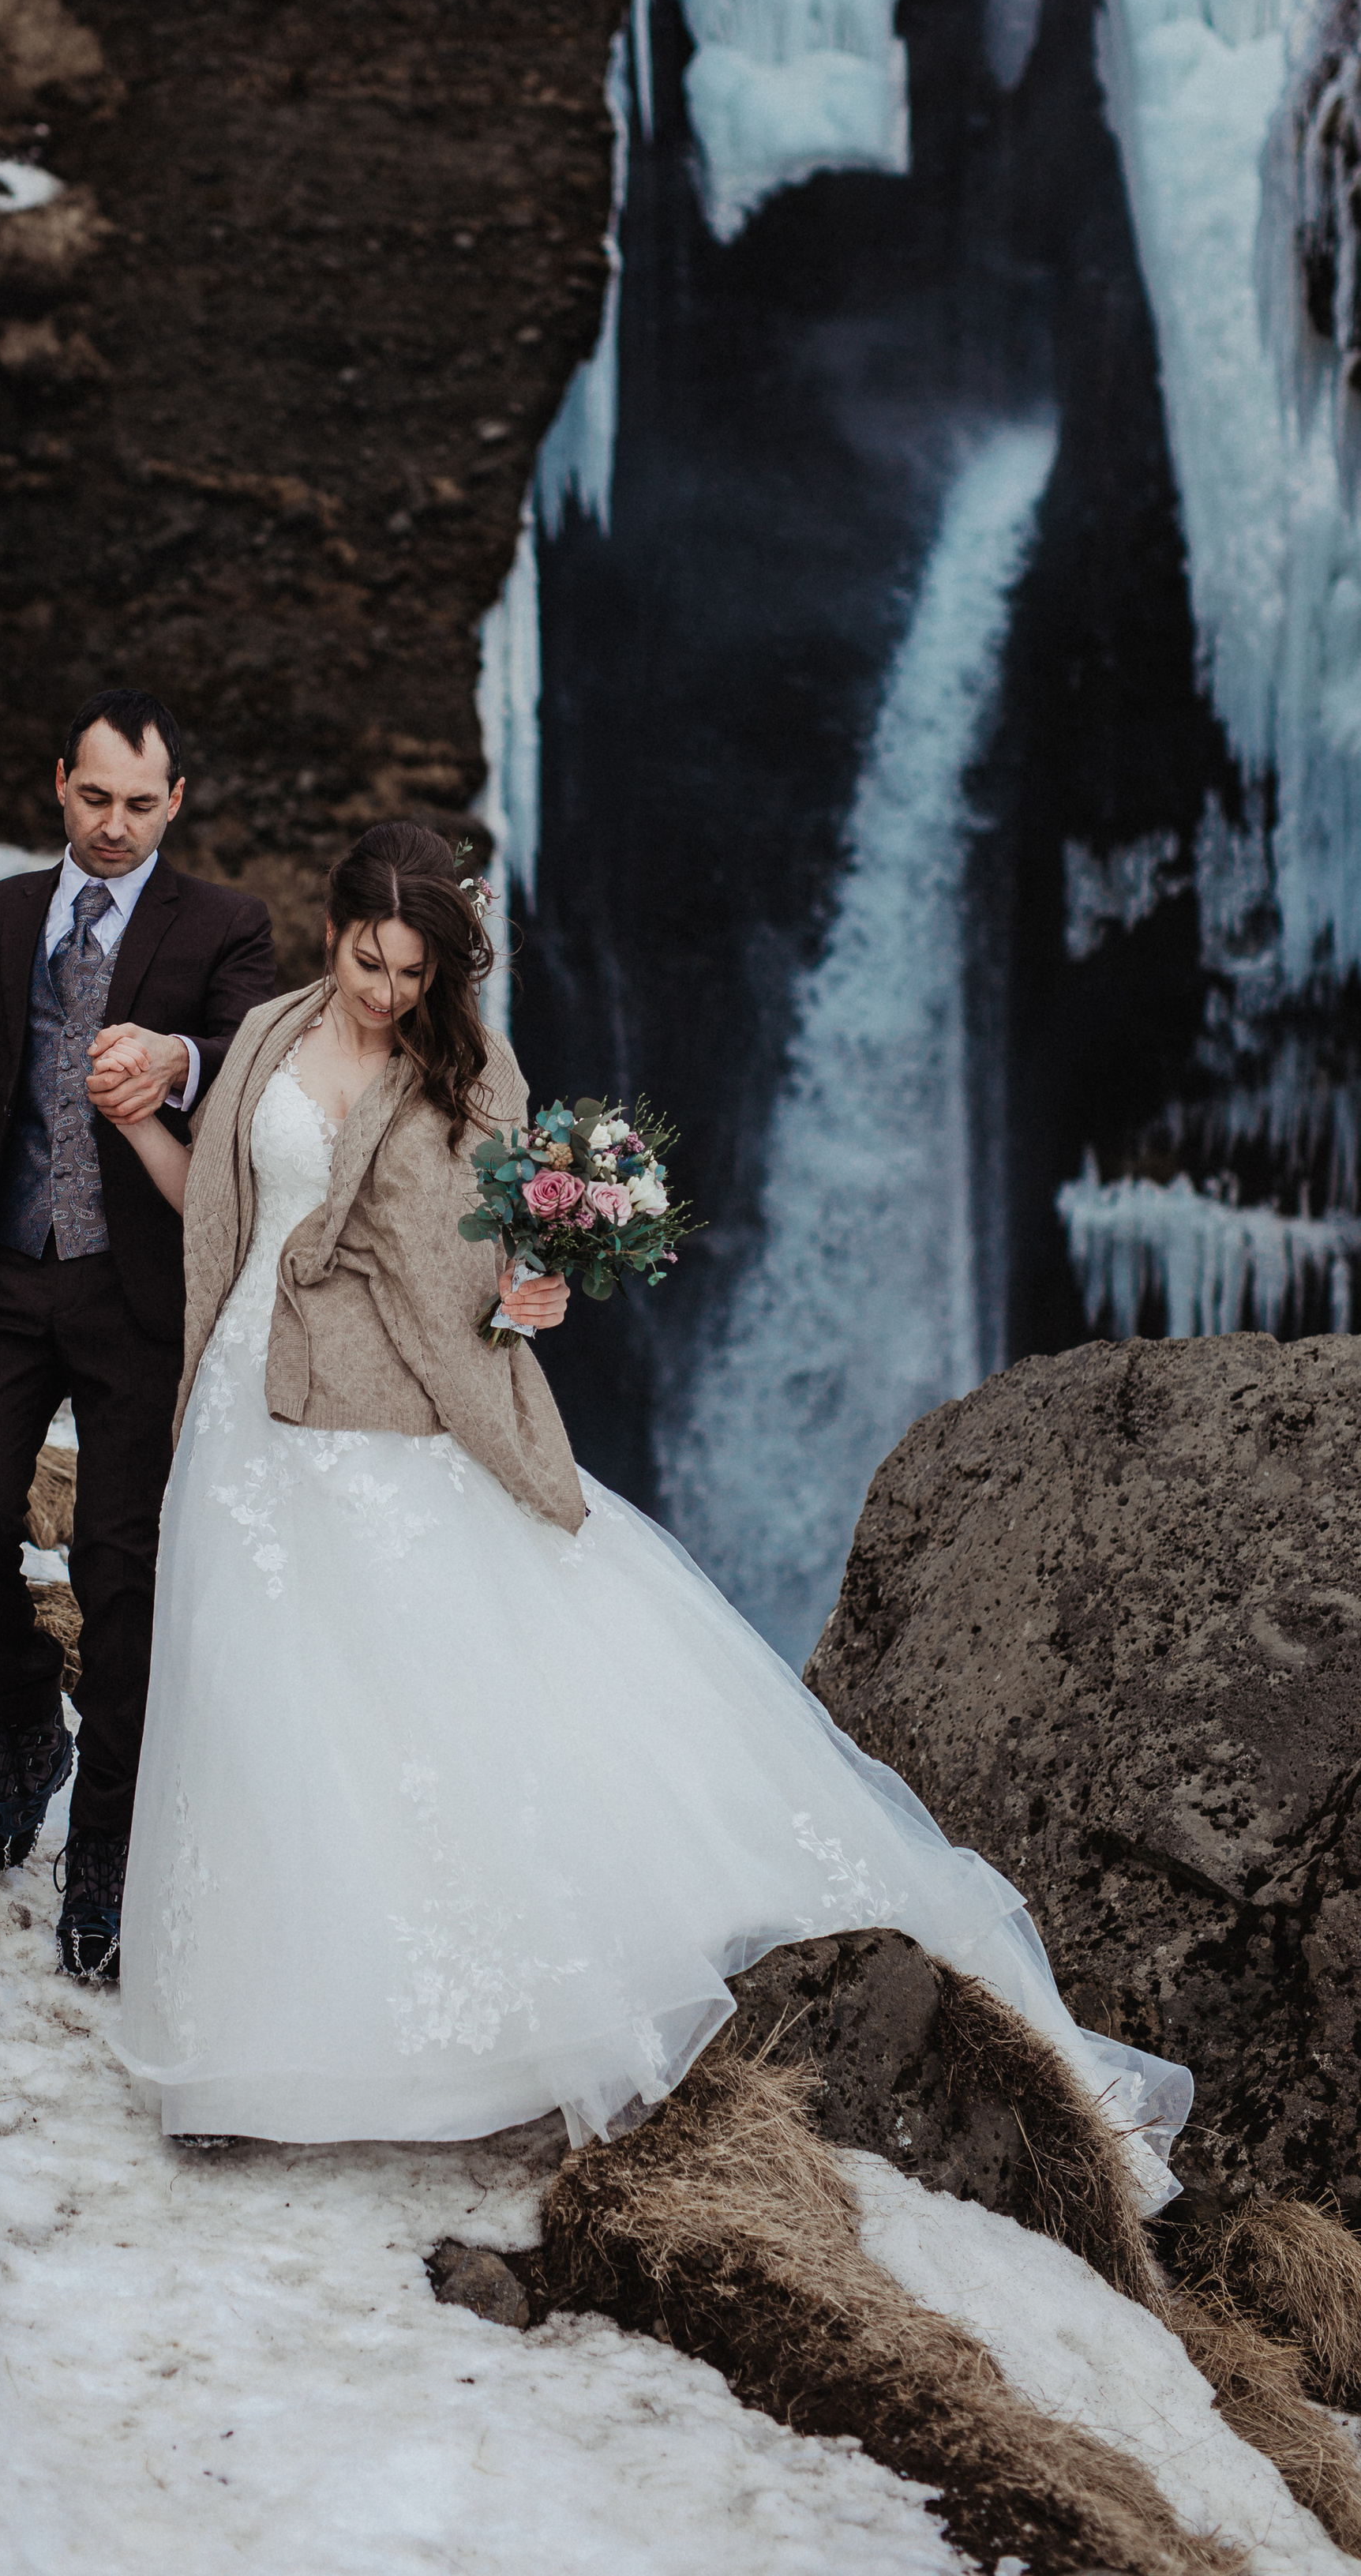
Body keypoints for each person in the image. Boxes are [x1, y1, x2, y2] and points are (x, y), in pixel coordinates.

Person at [99, 818, 1191, 2178]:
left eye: (411, 972)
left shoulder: (473, 1066)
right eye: (370, 962)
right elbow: (219, 1203)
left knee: (411, 1707)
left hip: (396, 1408)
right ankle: (256, 2043)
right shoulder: (265, 1038)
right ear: (333, 935)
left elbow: (500, 1265)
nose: (387, 993)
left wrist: (533, 1294)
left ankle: (458, 2040)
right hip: (244, 1413)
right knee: (260, 1714)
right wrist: (148, 1126)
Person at [0, 689, 278, 1980]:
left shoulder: (225, 925)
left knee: (119, 1578)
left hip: (141, 1297)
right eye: (96, 799)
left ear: (176, 802)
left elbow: (252, 1054)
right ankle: (29, 1728)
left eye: (143, 804)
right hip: (4, 1276)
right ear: (58, 786)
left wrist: (177, 1065)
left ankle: (104, 1849)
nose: (117, 826)